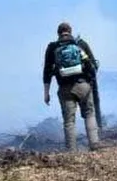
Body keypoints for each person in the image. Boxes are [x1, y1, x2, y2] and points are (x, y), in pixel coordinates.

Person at [43, 22, 101, 151]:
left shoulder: (52, 47)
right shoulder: (80, 44)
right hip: (84, 86)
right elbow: (93, 65)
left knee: (69, 121)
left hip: (65, 89)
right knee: (89, 114)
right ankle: (94, 145)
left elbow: (47, 72)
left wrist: (46, 93)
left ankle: (72, 152)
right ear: (70, 31)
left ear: (58, 33)